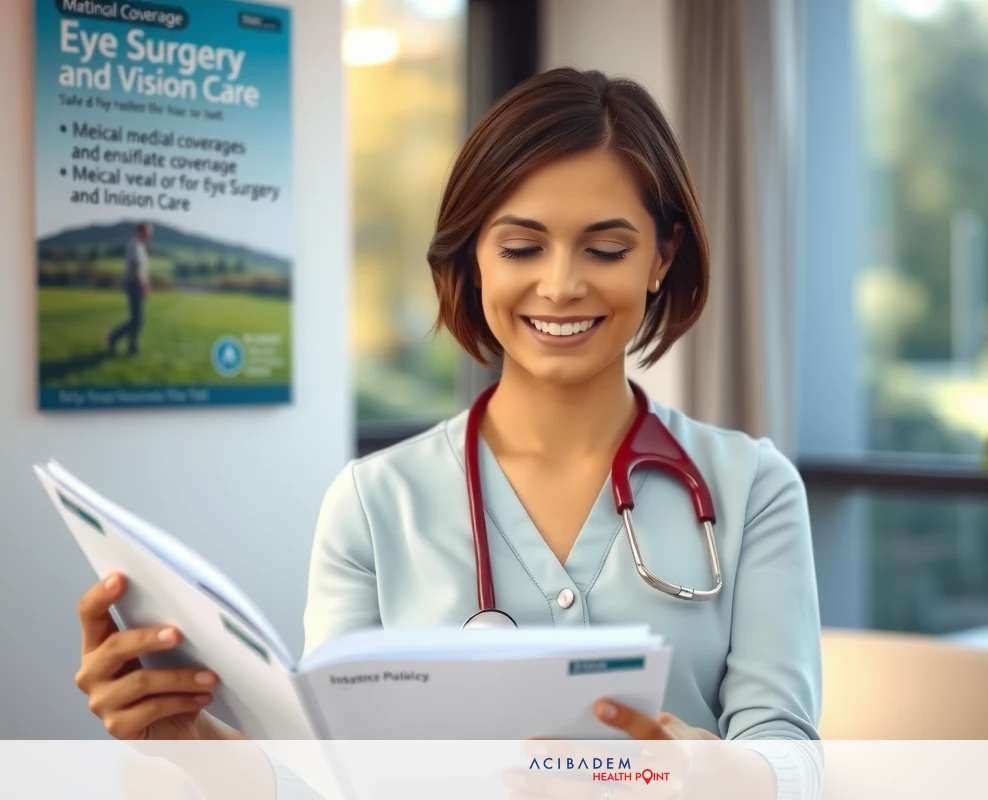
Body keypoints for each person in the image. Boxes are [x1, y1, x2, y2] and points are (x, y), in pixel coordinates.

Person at [73, 68, 823, 797]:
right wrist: (191, 743)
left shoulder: (751, 488)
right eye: (522, 246)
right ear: (472, 261)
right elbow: (333, 776)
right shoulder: (375, 503)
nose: (561, 284)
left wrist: (716, 773)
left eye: (606, 248)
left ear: (661, 257)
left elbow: (790, 753)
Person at [107, 221, 152, 355]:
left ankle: (133, 348)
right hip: (134, 284)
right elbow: (135, 267)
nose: (150, 235)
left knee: (137, 319)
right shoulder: (135, 245)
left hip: (136, 284)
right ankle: (114, 337)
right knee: (137, 319)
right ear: (141, 231)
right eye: (148, 232)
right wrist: (143, 286)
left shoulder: (140, 245)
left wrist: (145, 284)